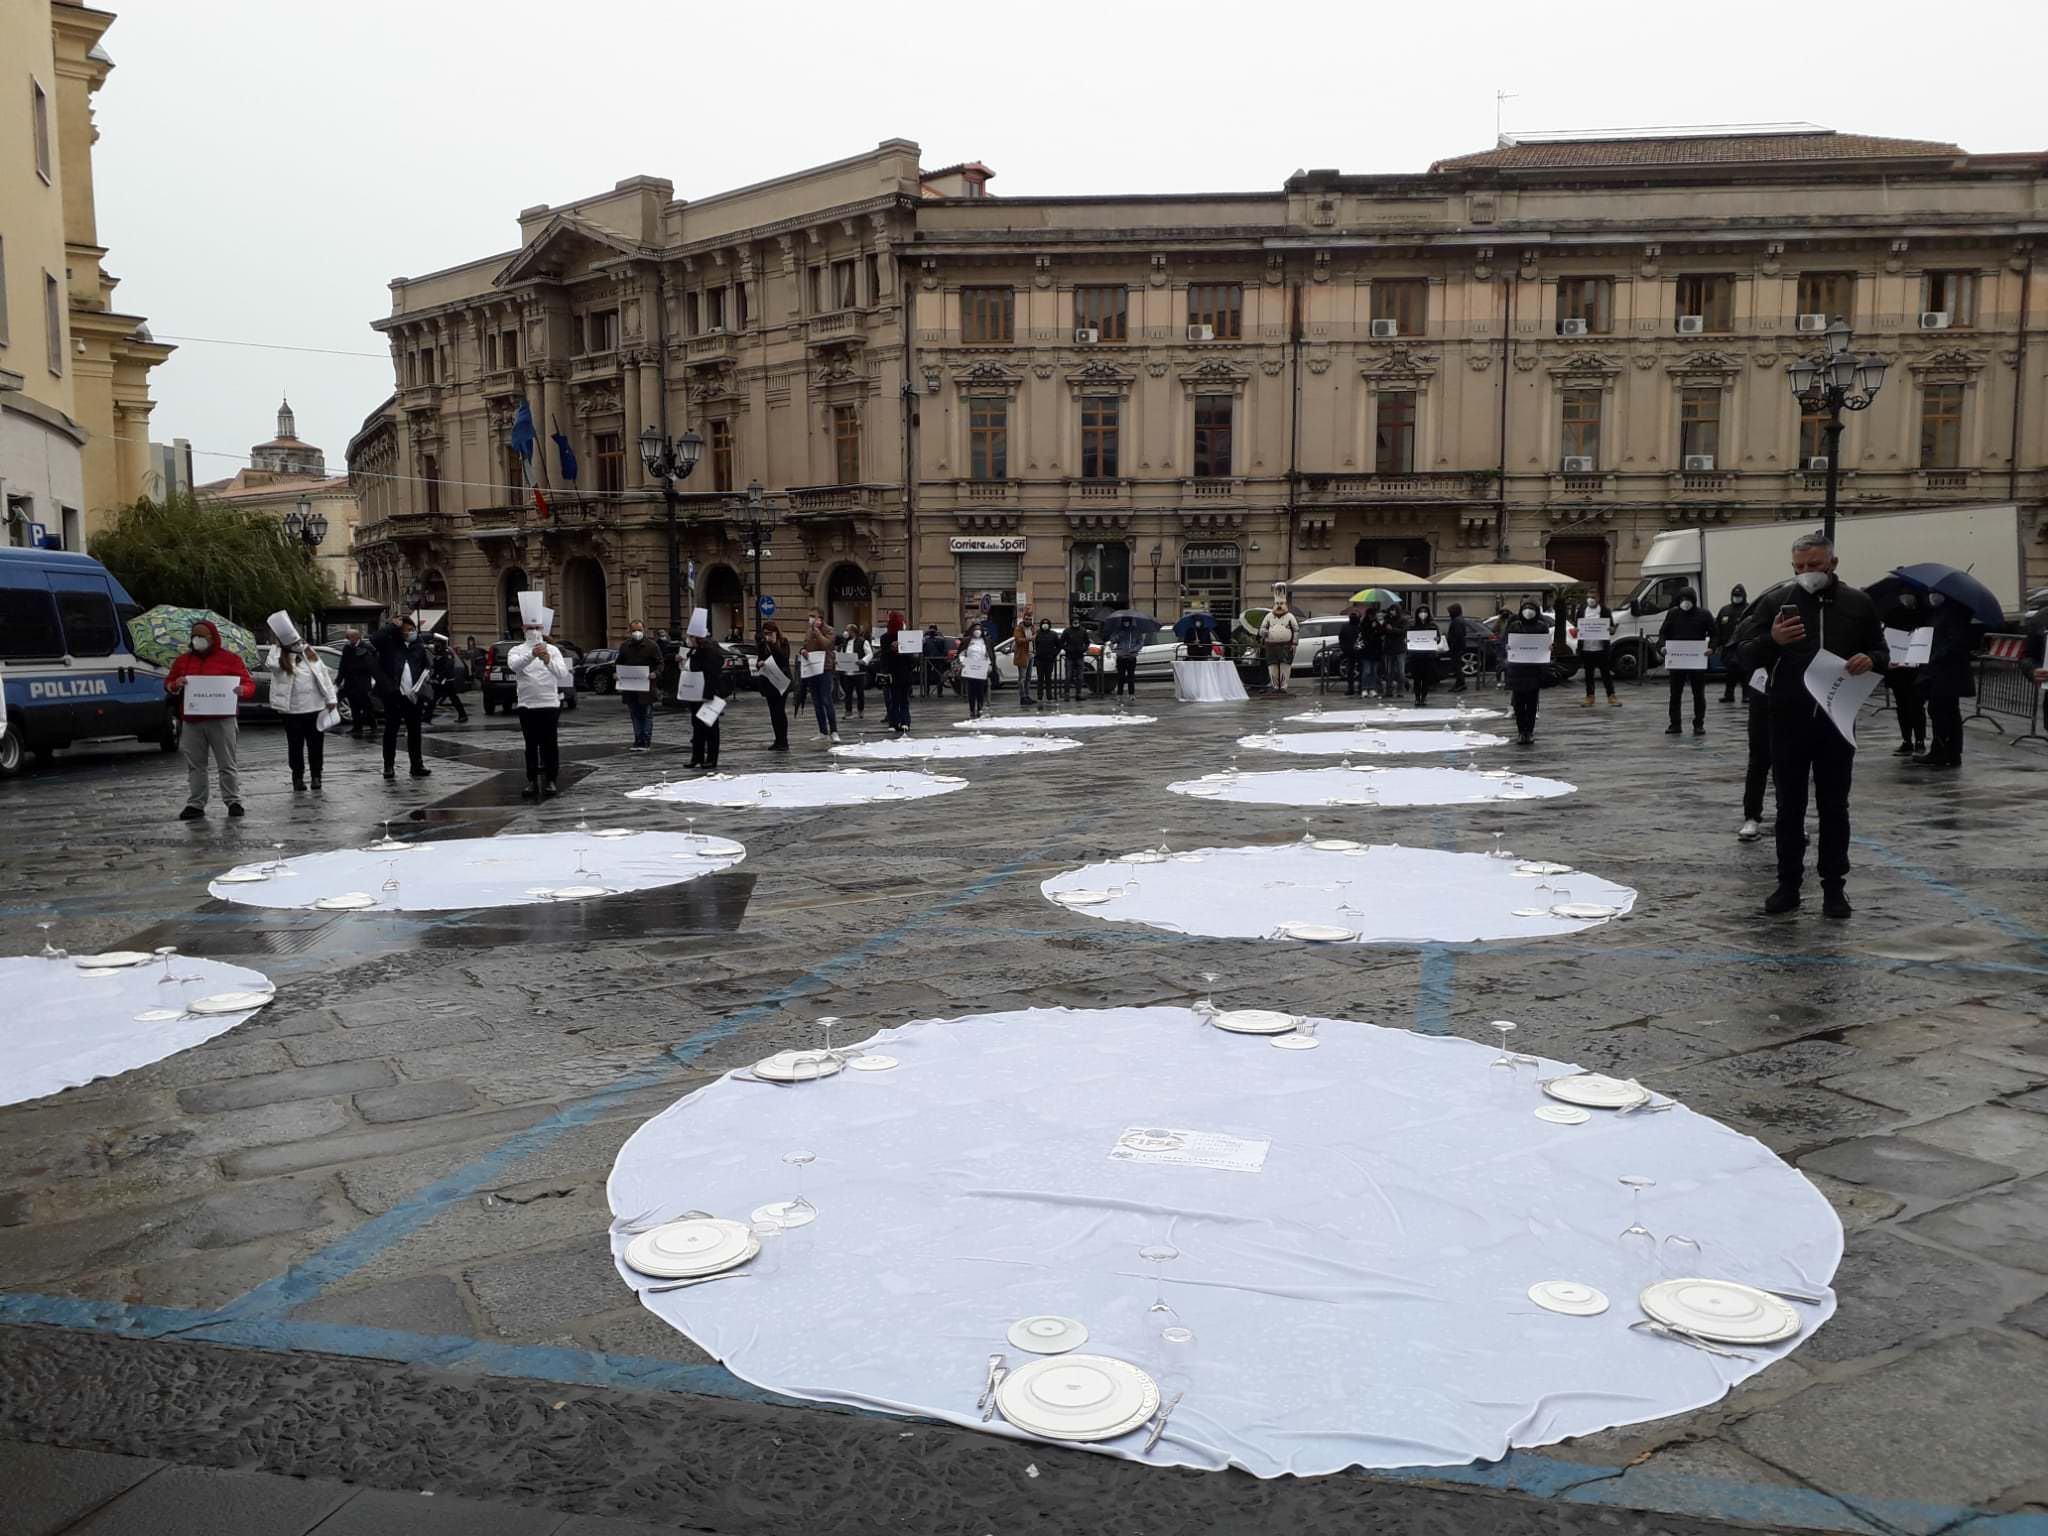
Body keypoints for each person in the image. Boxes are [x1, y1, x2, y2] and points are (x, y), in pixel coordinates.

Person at [1732, 530, 1886, 919]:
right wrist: (1773, 639)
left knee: (1835, 807)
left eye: (1814, 565)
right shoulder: (1776, 602)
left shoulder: (1858, 603)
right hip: (1787, 719)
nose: (1807, 573)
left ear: (1833, 563)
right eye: (1799, 567)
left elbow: (1881, 650)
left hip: (1836, 719)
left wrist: (1871, 658)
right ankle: (1788, 886)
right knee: (1789, 808)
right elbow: (1741, 654)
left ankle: (1834, 888)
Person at [165, 619, 254, 819]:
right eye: (194, 636)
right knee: (195, 765)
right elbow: (169, 683)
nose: (197, 640)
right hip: (192, 720)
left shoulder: (230, 659)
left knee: (227, 763)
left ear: (213, 638)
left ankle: (233, 801)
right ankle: (196, 803)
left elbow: (248, 683)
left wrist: (243, 690)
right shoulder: (183, 661)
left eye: (202, 636)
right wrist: (175, 684)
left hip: (222, 720)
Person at [506, 614, 571, 797]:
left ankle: (551, 779)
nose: (533, 631)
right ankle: (532, 780)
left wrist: (547, 659)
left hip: (549, 703)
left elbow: (562, 673)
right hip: (527, 704)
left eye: (537, 628)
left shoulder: (553, 649)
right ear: (523, 629)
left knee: (550, 744)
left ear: (543, 629)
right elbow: (515, 666)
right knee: (531, 744)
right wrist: (531, 654)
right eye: (529, 628)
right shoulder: (517, 650)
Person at [1914, 592, 1979, 769]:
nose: (1931, 596)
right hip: (1942, 672)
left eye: (1936, 593)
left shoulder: (1954, 614)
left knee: (1941, 710)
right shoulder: (1942, 612)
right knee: (1946, 711)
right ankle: (1949, 751)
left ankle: (1943, 751)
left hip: (1946, 673)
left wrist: (1935, 656)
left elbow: (1954, 643)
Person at [268, 633, 336, 792]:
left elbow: (324, 676)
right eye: (293, 642)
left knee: (316, 745)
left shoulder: (311, 654)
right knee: (295, 745)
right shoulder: (280, 658)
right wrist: (277, 646)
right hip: (291, 711)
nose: (298, 644)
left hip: (315, 708)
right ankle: (297, 777)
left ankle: (316, 775)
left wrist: (331, 698)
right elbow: (272, 664)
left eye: (299, 640)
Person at [372, 614, 432, 781]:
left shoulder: (418, 646)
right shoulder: (390, 645)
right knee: (391, 730)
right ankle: (389, 766)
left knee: (415, 731)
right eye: (408, 630)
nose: (412, 632)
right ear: (399, 632)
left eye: (413, 629)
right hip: (394, 694)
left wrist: (426, 676)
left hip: (414, 695)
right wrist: (391, 625)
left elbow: (427, 664)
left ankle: (417, 764)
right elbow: (376, 639)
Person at [1879, 589, 1927, 757]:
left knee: (1916, 706)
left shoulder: (1924, 613)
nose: (1905, 598)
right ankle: (1907, 740)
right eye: (1902, 595)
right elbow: (1886, 637)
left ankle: (1920, 740)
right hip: (1898, 668)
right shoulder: (1893, 614)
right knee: (1902, 706)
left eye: (1909, 595)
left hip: (1916, 668)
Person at [1660, 588, 1713, 735]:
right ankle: (1675, 723)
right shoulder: (1673, 614)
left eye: (1688, 599)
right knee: (1675, 694)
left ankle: (1699, 724)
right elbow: (1663, 632)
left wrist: (1712, 648)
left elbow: (1715, 634)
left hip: (1696, 661)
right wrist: (1662, 647)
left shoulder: (1704, 615)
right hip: (1677, 661)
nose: (1685, 603)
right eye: (1683, 599)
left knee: (1698, 694)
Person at [1503, 599, 1550, 745]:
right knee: (1518, 703)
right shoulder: (1514, 626)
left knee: (1531, 703)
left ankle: (1529, 732)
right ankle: (1520, 732)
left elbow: (1546, 645)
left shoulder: (1542, 627)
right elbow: (1505, 642)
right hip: (1517, 669)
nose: (1528, 611)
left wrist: (1548, 649)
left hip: (1534, 670)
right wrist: (1507, 649)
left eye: (1531, 608)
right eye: (1525, 608)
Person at [1738, 661, 1773, 844]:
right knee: (1758, 762)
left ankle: (1794, 818)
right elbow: (1735, 654)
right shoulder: (1754, 631)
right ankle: (1751, 816)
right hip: (1762, 701)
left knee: (1793, 766)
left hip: (1797, 699)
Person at [614, 619, 663, 751]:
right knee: (635, 714)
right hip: (630, 687)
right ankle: (638, 740)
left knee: (646, 714)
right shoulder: (625, 646)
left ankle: (645, 741)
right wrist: (617, 673)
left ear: (644, 630)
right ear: (629, 631)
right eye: (634, 630)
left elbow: (660, 663)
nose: (637, 633)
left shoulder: (652, 646)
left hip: (646, 687)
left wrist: (655, 673)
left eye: (639, 630)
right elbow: (619, 663)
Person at [685, 629, 728, 769]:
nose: (688, 639)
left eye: (691, 636)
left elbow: (713, 675)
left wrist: (708, 695)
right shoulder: (694, 650)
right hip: (695, 693)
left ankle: (711, 758)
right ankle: (697, 757)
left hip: (708, 694)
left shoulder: (709, 650)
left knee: (710, 727)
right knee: (697, 726)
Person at [801, 613, 841, 744]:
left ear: (821, 619)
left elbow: (826, 645)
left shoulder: (829, 630)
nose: (811, 619)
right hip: (812, 668)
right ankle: (822, 731)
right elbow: (805, 645)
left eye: (814, 616)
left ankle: (834, 731)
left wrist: (817, 632)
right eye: (810, 616)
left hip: (825, 668)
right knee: (816, 702)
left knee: (826, 700)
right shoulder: (808, 631)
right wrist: (802, 650)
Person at [755, 620, 793, 751]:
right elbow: (759, 659)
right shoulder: (762, 644)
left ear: (776, 632)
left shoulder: (783, 642)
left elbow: (783, 658)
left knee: (779, 711)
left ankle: (784, 741)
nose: (767, 635)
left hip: (781, 680)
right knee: (773, 712)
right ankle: (777, 740)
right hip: (769, 680)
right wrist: (760, 663)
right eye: (765, 633)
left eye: (770, 633)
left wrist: (773, 644)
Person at [336, 627, 376, 738]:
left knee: (366, 705)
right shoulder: (347, 648)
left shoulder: (366, 648)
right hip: (350, 682)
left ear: (355, 637)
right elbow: (343, 665)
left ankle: (372, 724)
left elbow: (371, 665)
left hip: (362, 682)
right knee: (354, 706)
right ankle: (357, 726)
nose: (347, 640)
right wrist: (338, 680)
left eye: (348, 637)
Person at [1714, 586, 1750, 704]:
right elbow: (1717, 629)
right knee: (1730, 673)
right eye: (1735, 595)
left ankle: (1747, 695)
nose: (1737, 598)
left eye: (1739, 596)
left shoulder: (1749, 609)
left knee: (1745, 672)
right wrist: (1716, 645)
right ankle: (1729, 695)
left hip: (1744, 646)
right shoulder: (1725, 610)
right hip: (1728, 647)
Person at [881, 612, 914, 733]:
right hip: (902, 673)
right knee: (902, 699)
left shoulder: (885, 638)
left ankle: (895, 722)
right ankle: (904, 722)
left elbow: (884, 657)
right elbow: (911, 659)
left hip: (894, 673)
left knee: (895, 699)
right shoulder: (901, 637)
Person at [1258, 599, 1299, 694]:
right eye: (1277, 604)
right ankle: (1275, 686)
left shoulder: (1290, 617)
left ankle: (1284, 687)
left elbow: (1296, 630)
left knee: (1285, 666)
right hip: (1271, 646)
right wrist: (1263, 632)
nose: (1279, 606)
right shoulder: (1268, 616)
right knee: (1272, 666)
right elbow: (1262, 628)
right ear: (1274, 605)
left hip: (1286, 646)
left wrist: (1294, 643)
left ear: (1285, 605)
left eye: (1281, 604)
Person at [425, 636, 469, 725]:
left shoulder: (447, 654)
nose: (435, 645)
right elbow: (436, 668)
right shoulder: (439, 654)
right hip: (442, 681)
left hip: (447, 681)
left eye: (436, 643)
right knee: (443, 699)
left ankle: (427, 717)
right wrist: (432, 678)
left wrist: (438, 679)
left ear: (441, 644)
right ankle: (462, 715)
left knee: (441, 699)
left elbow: (447, 669)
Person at [1407, 606, 1440, 707]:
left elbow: (1438, 639)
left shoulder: (1433, 626)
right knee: (1417, 678)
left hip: (1428, 656)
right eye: (1421, 612)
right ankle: (1417, 698)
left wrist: (1436, 639)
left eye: (1425, 612)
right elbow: (1408, 638)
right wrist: (1408, 642)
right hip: (1416, 656)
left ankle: (1424, 698)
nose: (1423, 614)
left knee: (1426, 679)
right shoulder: (1412, 625)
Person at [960, 622, 994, 719]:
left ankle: (980, 708)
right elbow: (962, 653)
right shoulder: (967, 641)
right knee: (971, 690)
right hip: (970, 668)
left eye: (979, 629)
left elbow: (989, 654)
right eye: (975, 629)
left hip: (981, 668)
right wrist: (963, 662)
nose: (977, 631)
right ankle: (972, 709)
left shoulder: (986, 641)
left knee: (980, 690)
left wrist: (989, 665)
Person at [837, 623, 870, 718]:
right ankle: (848, 710)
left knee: (860, 692)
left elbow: (869, 654)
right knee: (848, 692)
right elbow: (841, 653)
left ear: (853, 632)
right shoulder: (844, 643)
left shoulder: (863, 642)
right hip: (847, 671)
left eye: (848, 630)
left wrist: (863, 661)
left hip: (859, 671)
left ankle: (860, 710)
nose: (846, 632)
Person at [1377, 607, 1407, 698]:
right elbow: (1381, 632)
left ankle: (1400, 691)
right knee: (1389, 671)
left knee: (1400, 672)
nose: (1392, 612)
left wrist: (1392, 629)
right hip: (1389, 649)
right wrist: (1381, 624)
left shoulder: (1402, 620)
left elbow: (1403, 632)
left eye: (1394, 610)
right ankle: (1389, 691)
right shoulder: (1387, 620)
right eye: (1391, 610)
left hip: (1399, 649)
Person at [1338, 604, 1365, 696]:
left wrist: (1344, 648)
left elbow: (1341, 638)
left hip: (1355, 651)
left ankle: (1354, 688)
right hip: (1353, 651)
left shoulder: (1359, 626)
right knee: (1354, 671)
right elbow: (1341, 638)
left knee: (1354, 671)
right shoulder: (1358, 626)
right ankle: (1356, 688)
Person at [1032, 618, 1060, 705]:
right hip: (1040, 660)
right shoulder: (1037, 634)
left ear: (1049, 625)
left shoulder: (1053, 634)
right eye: (1043, 623)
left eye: (1047, 623)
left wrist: (1053, 654)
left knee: (1048, 679)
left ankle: (1049, 696)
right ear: (1041, 625)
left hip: (1049, 660)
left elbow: (1059, 646)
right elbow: (1033, 646)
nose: (1045, 625)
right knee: (1040, 679)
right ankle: (1039, 696)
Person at [1012, 608, 1037, 706]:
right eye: (1026, 619)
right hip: (1022, 655)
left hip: (1031, 655)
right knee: (1022, 678)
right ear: (1023, 619)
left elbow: (1035, 639)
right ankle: (1022, 697)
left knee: (1028, 678)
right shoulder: (1019, 628)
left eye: (1030, 619)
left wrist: (1034, 649)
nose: (1028, 621)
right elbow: (1018, 640)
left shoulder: (1032, 628)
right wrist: (1030, 638)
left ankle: (1027, 696)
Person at [1062, 621, 1091, 701]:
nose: (1075, 622)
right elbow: (1061, 642)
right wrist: (1067, 649)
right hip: (1069, 656)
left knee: (1080, 677)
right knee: (1068, 676)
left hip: (1079, 656)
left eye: (1077, 620)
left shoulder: (1083, 630)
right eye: (1074, 620)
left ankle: (1078, 694)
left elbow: (1087, 642)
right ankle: (1067, 694)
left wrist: (1083, 649)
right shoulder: (1067, 631)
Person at [1445, 605, 1470, 694]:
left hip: (1456, 647)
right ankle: (1459, 683)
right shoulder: (1460, 620)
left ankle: (1461, 684)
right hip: (1459, 646)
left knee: (1457, 666)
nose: (1449, 614)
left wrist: (1452, 643)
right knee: (1457, 666)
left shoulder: (1456, 621)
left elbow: (1457, 635)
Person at [920, 624, 948, 698]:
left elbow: (943, 649)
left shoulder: (937, 638)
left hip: (935, 659)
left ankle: (937, 692)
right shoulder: (926, 638)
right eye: (931, 629)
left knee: (937, 676)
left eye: (933, 629)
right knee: (928, 676)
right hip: (930, 659)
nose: (932, 630)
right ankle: (929, 692)